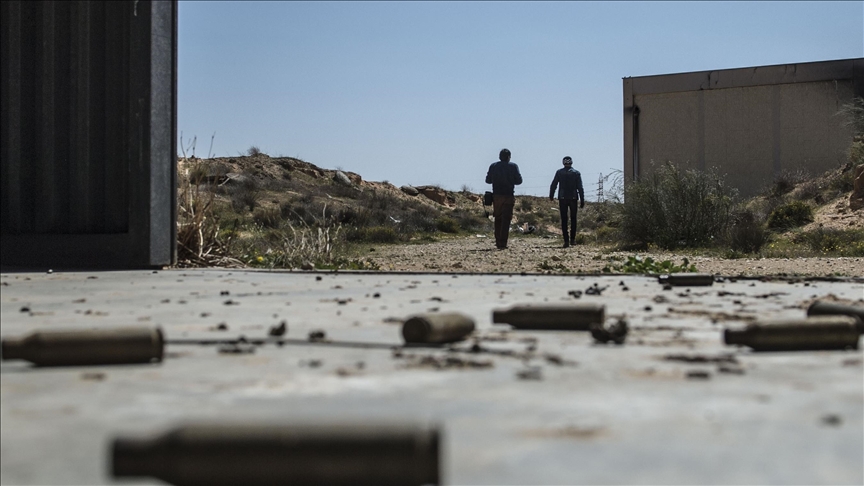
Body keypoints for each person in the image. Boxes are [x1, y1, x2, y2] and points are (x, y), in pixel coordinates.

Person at [485, 148, 523, 249]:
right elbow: (519, 181)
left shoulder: (493, 166)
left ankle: (498, 242)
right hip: (508, 195)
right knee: (506, 219)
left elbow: (488, 180)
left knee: (498, 219)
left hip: (497, 196)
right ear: (509, 157)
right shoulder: (513, 166)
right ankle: (503, 243)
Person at [548, 156, 585, 248]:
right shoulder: (576, 173)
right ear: (571, 163)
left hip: (562, 197)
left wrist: (551, 195)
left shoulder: (559, 172)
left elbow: (554, 184)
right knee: (573, 219)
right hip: (573, 197)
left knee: (564, 219)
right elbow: (580, 187)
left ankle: (566, 241)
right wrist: (582, 199)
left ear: (563, 163)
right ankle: (572, 239)